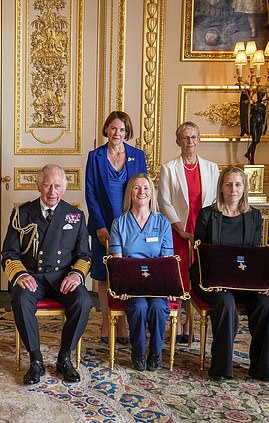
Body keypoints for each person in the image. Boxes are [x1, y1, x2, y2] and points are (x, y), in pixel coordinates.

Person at [2, 164, 92, 385]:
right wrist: (20, 275)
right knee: (20, 299)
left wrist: (76, 275)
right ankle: (36, 360)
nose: (52, 191)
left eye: (57, 186)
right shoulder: (22, 213)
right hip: (32, 276)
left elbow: (85, 255)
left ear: (64, 188)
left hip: (62, 278)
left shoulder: (76, 215)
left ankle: (64, 358)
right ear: (38, 186)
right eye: (47, 185)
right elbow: (9, 253)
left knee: (84, 300)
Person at [190, 166, 269, 381]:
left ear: (244, 188)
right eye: (228, 184)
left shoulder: (254, 216)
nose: (233, 189)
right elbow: (200, 254)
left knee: (268, 306)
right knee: (226, 304)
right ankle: (221, 368)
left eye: (238, 184)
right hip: (211, 281)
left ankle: (262, 369)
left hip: (244, 282)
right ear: (221, 188)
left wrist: (264, 283)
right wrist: (212, 280)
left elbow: (255, 256)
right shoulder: (207, 215)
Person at [85, 111, 148, 345]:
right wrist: (100, 226)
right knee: (104, 274)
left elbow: (143, 188)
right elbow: (90, 193)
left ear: (127, 132)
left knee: (128, 271)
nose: (117, 133)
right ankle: (107, 321)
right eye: (113, 128)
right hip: (104, 224)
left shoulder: (137, 156)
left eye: (122, 130)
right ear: (106, 130)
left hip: (132, 225)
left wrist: (139, 223)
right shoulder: (95, 156)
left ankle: (126, 322)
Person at [158, 122, 219, 343]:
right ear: (178, 142)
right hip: (178, 231)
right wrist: (180, 229)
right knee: (180, 276)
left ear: (199, 140)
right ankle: (176, 322)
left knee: (199, 277)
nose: (190, 142)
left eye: (193, 137)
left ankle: (190, 325)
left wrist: (203, 231)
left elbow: (214, 202)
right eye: (185, 138)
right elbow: (164, 202)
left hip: (203, 231)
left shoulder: (212, 168)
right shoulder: (169, 168)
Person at [108, 173, 175, 371]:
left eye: (146, 188)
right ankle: (138, 352)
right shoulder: (119, 223)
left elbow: (166, 261)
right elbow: (117, 261)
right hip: (132, 286)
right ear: (130, 192)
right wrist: (122, 286)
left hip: (156, 286)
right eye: (136, 188)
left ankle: (155, 353)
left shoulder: (162, 223)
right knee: (138, 308)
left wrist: (168, 287)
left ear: (151, 193)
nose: (141, 192)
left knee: (157, 308)